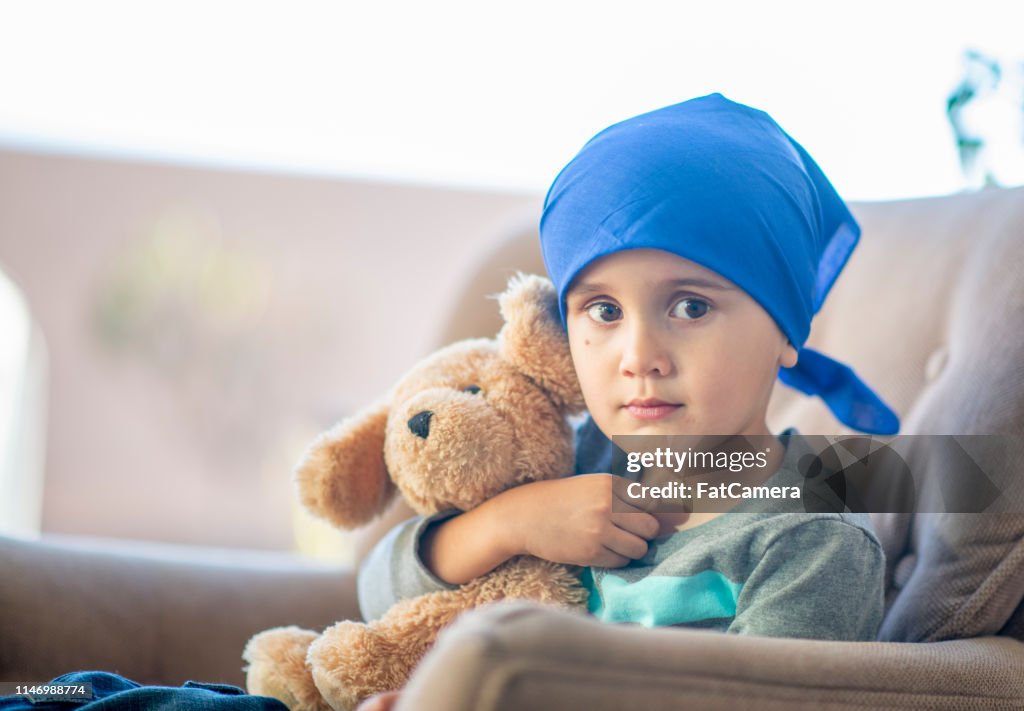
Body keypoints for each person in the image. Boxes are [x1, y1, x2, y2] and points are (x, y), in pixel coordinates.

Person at [354, 92, 898, 708]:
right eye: (604, 311)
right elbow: (376, 593)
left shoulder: (812, 545)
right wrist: (507, 524)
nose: (639, 356)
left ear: (784, 331)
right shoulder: (563, 453)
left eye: (691, 306)